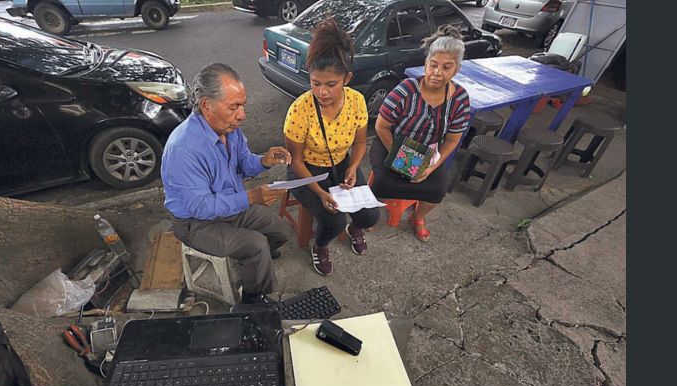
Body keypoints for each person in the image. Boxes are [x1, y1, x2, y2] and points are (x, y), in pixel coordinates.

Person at [161, 63, 293, 304]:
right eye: (234, 107)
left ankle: (253, 261)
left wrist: (263, 161)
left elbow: (243, 162)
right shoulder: (184, 148)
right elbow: (201, 207)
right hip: (196, 222)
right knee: (256, 244)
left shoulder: (229, 129)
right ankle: (253, 298)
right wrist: (251, 198)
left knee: (281, 230)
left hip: (231, 206)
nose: (241, 115)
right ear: (206, 105)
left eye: (242, 106)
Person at [282, 18, 380, 277]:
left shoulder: (357, 101)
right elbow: (295, 161)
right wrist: (320, 192)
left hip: (341, 165)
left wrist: (354, 166)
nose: (322, 92)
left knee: (370, 216)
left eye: (331, 84)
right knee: (333, 220)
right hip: (306, 171)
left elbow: (360, 142)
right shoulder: (300, 110)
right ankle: (320, 245)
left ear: (346, 78)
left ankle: (354, 229)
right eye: (316, 83)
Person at [370, 25, 472, 242]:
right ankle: (369, 215)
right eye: (433, 65)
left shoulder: (460, 99)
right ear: (426, 63)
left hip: (427, 150)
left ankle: (417, 217)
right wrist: (402, 158)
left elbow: (453, 139)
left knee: (437, 189)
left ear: (457, 69)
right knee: (382, 182)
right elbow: (381, 126)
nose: (437, 72)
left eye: (446, 67)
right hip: (392, 141)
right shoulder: (405, 90)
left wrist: (432, 165)